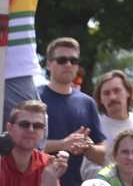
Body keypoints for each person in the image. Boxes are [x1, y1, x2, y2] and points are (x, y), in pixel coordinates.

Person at [39, 38, 107, 186]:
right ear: (49, 64)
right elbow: (22, 144)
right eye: (62, 60)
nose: (68, 64)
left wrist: (88, 148)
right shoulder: (35, 97)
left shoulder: (87, 103)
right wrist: (63, 144)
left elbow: (103, 155)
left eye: (73, 60)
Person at [82, 71, 133, 180]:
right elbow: (87, 171)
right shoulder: (94, 127)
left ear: (128, 92)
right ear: (100, 99)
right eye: (106, 93)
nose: (112, 97)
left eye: (117, 91)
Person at [0, 100, 69, 186]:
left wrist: (51, 182)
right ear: (9, 128)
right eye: (24, 124)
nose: (31, 130)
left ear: (43, 131)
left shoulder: (47, 164)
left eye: (38, 126)